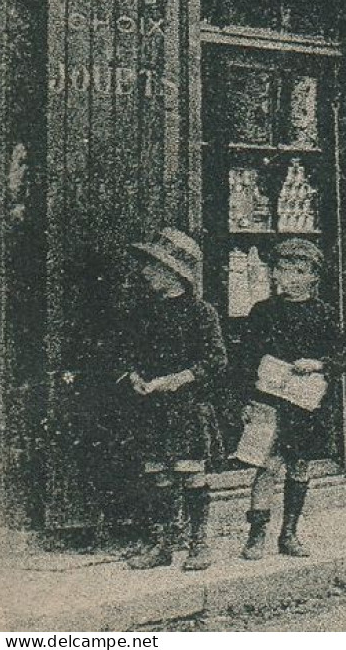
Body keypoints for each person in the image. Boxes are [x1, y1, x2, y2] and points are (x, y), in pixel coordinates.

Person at [233, 238, 346, 560]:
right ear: (274, 274)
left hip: (304, 402)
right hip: (267, 400)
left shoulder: (324, 314)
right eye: (284, 270)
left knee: (299, 466)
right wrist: (245, 399)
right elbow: (245, 358)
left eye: (300, 271)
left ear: (314, 277)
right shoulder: (262, 312)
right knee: (267, 465)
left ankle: (289, 533)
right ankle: (256, 534)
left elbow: (343, 355)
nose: (291, 277)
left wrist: (319, 364)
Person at [116, 227, 228, 571]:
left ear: (175, 272)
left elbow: (216, 360)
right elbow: (129, 354)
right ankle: (163, 544)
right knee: (159, 474)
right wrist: (134, 376)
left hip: (187, 406)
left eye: (154, 266)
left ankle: (198, 544)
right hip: (153, 407)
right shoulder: (143, 312)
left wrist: (176, 380)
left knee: (190, 472)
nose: (146, 272)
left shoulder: (200, 312)